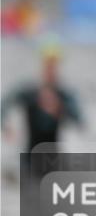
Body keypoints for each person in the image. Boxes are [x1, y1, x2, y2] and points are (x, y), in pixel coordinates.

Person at [1, 42, 83, 176]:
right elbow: (4, 104)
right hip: (29, 160)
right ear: (41, 65)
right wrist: (5, 126)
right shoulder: (30, 92)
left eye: (54, 65)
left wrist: (59, 109)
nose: (50, 69)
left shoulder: (64, 95)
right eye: (47, 65)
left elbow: (79, 120)